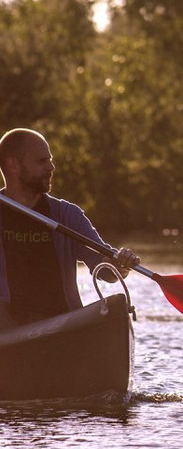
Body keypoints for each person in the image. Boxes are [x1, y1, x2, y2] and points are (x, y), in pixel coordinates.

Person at [0, 128, 141, 328]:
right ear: (13, 165)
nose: (51, 167)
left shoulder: (67, 215)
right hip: (8, 328)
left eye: (50, 159)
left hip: (62, 325)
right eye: (41, 161)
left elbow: (105, 270)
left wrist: (121, 265)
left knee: (115, 307)